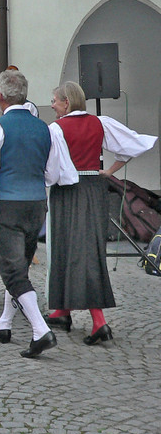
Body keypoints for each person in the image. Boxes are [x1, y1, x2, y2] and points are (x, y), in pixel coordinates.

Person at [0, 70, 77, 358]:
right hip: (35, 204)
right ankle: (4, 323)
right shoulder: (46, 128)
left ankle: (40, 330)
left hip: (6, 205)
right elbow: (52, 174)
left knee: (13, 272)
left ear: (0, 97)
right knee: (19, 267)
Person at [45, 81, 157, 345]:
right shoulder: (100, 122)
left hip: (68, 191)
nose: (52, 105)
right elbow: (134, 146)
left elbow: (53, 168)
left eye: (54, 101)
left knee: (70, 248)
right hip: (94, 189)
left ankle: (98, 321)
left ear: (66, 103)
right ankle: (63, 310)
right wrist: (109, 171)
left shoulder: (56, 129)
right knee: (85, 248)